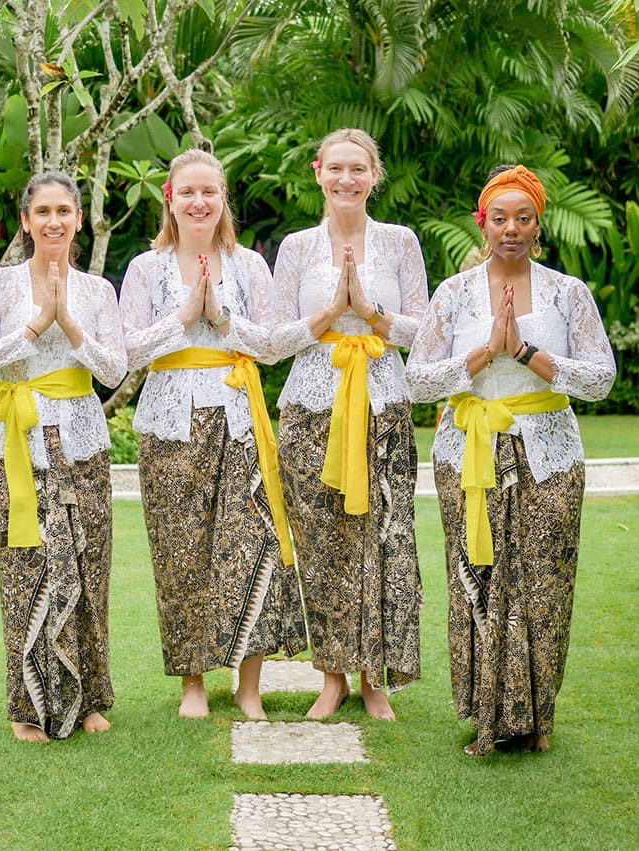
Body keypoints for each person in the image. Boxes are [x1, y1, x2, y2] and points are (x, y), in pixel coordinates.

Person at [405, 164, 616, 755]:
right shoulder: (454, 294)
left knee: (544, 583)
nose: (512, 229)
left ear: (538, 225)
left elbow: (601, 379)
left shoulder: (567, 293)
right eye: (500, 218)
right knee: (481, 578)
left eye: (523, 218)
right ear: (484, 223)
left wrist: (528, 353)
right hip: (469, 452)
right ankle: (488, 719)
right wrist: (481, 355)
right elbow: (417, 380)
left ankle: (536, 716)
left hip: (550, 454)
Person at [118, 148, 306, 720]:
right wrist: (183, 318)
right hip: (167, 423)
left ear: (223, 199)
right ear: (169, 201)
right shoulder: (145, 269)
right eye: (187, 193)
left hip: (238, 419)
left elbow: (274, 345)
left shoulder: (248, 264)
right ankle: (193, 683)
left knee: (253, 548)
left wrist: (221, 318)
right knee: (181, 552)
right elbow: (124, 351)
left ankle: (249, 687)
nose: (198, 202)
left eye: (210, 192)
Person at [271, 128, 429, 720]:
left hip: (384, 406)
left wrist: (370, 314)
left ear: (373, 177)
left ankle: (375, 678)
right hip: (311, 408)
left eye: (357, 170)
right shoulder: (294, 248)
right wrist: (328, 315)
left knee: (384, 539)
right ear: (317, 172)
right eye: (335, 168)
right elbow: (270, 339)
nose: (346, 180)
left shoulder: (399, 243)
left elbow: (428, 332)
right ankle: (333, 675)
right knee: (323, 544)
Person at [0, 171, 127, 741]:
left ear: (79, 219)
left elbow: (114, 370)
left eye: (65, 211)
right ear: (27, 222)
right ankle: (28, 705)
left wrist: (71, 326)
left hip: (83, 436)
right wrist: (38, 325)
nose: (54, 221)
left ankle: (88, 700)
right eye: (43, 212)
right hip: (22, 439)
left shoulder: (97, 291)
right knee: (28, 567)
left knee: (87, 566)